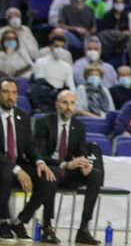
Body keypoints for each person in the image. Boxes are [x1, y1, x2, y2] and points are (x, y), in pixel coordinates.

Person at [35, 90, 102, 244]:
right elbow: (40, 155)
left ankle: (84, 228)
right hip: (50, 168)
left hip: (69, 172)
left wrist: (84, 164)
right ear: (57, 105)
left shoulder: (79, 126)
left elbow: (81, 152)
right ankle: (47, 227)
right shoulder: (44, 123)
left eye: (72, 103)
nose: (68, 107)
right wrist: (64, 164)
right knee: (53, 173)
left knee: (95, 175)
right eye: (65, 103)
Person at [0, 79, 58, 242]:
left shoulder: (23, 116)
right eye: (5, 92)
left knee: (49, 177)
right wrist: (17, 170)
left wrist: (40, 162)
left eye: (13, 93)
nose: (10, 97)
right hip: (2, 165)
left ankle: (20, 221)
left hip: (17, 163)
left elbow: (30, 145)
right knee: (4, 173)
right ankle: (2, 220)